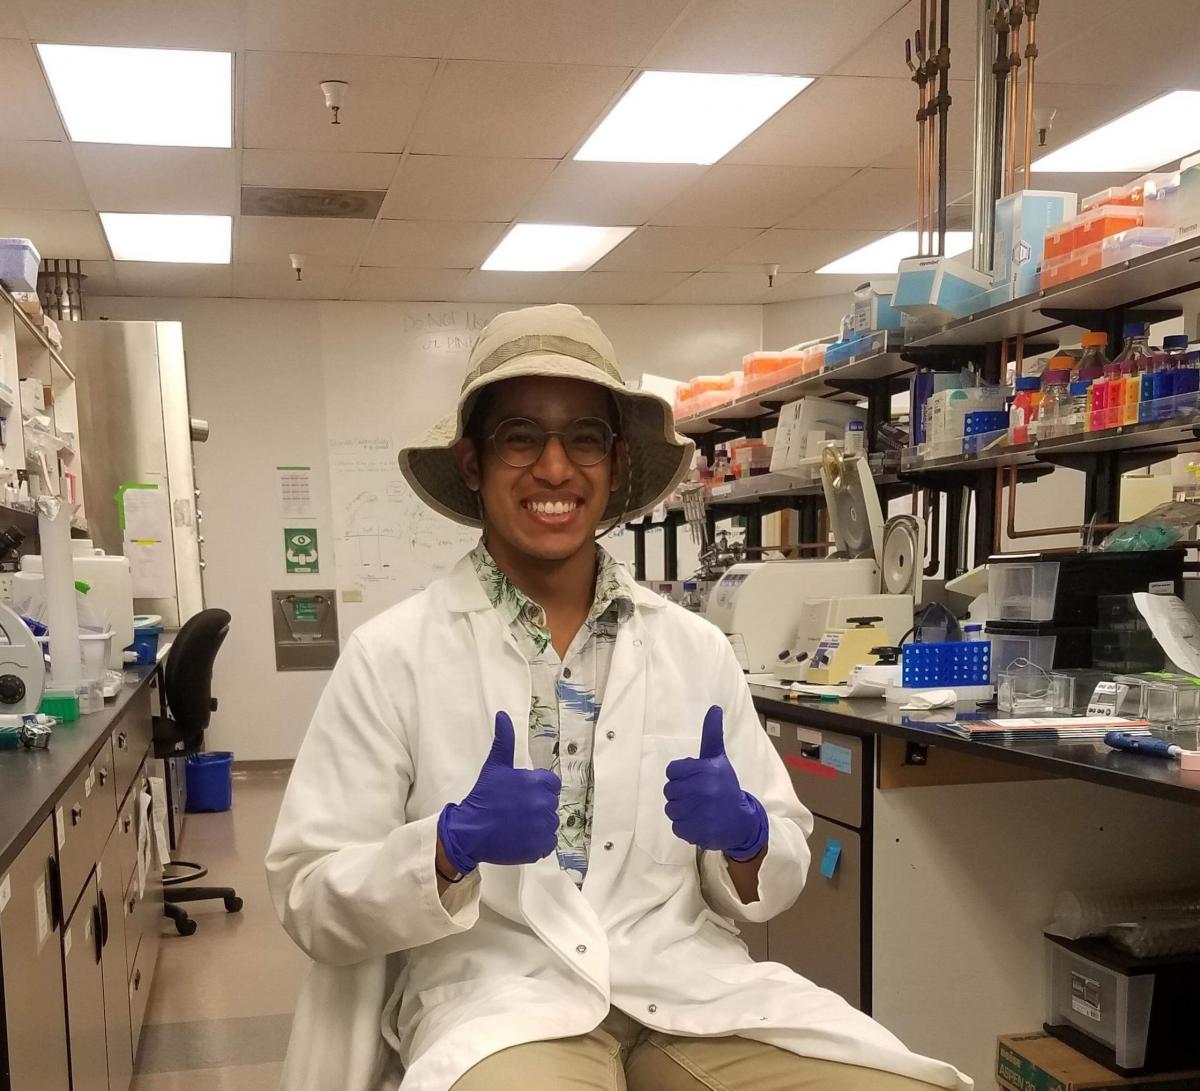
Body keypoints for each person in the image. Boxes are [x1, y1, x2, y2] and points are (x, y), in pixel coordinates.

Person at [266, 304, 971, 1091]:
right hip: (502, 1003)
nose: (555, 469)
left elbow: (775, 873)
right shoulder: (393, 656)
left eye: (584, 438)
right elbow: (307, 892)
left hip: (686, 990)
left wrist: (745, 837)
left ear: (615, 460)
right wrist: (447, 846)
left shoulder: (693, 648)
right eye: (520, 437)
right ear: (472, 462)